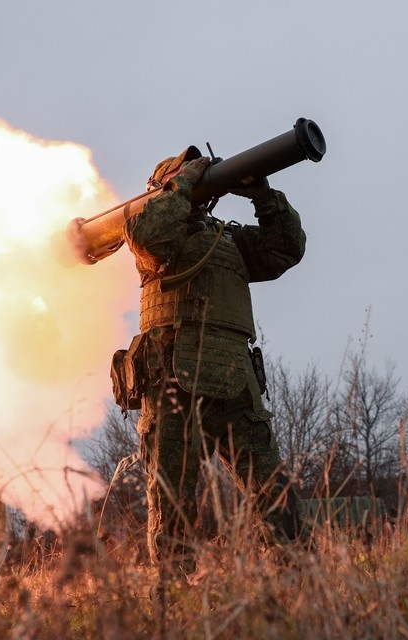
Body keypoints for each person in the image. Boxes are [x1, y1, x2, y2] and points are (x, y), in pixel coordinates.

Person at [114, 148, 307, 577]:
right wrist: (180, 185)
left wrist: (263, 195)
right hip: (173, 386)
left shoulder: (228, 239)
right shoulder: (153, 233)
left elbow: (286, 249)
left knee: (274, 494)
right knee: (173, 506)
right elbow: (147, 232)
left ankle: (300, 589)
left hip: (236, 383)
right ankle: (175, 602)